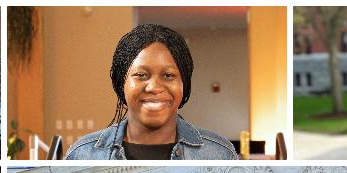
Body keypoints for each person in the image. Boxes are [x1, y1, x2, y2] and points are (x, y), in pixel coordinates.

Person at [65, 24, 237, 161]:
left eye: (168, 75)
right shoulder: (83, 155)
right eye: (141, 75)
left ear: (183, 83)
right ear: (121, 83)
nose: (154, 87)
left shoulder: (219, 154)